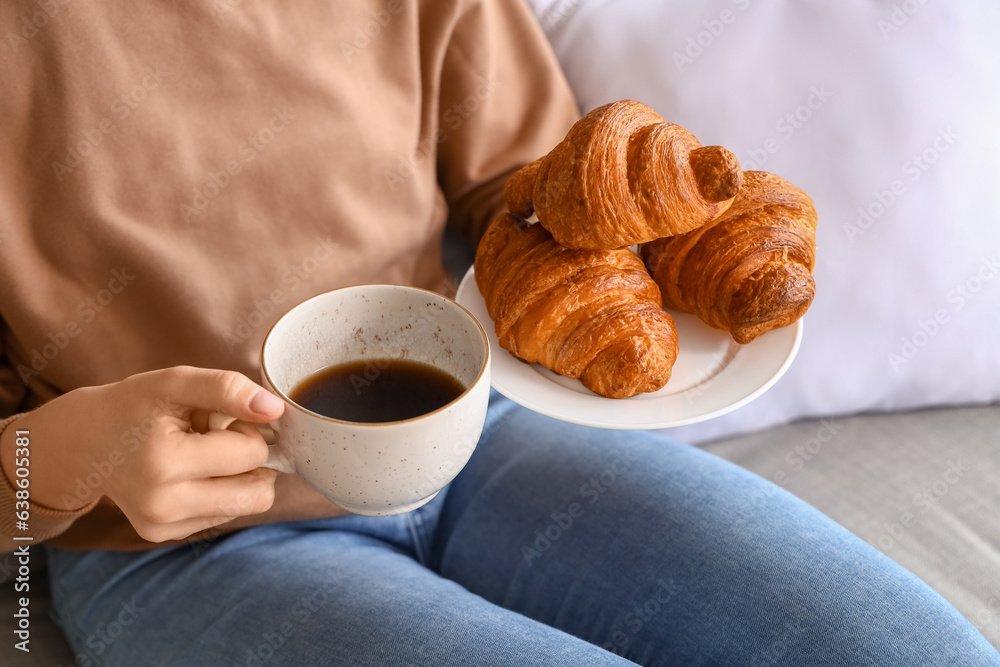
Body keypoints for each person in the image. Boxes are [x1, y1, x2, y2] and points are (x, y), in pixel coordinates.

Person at [0, 2, 997, 664]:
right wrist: (51, 461)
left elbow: (528, 196)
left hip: (482, 431)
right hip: (175, 543)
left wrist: (685, 233)